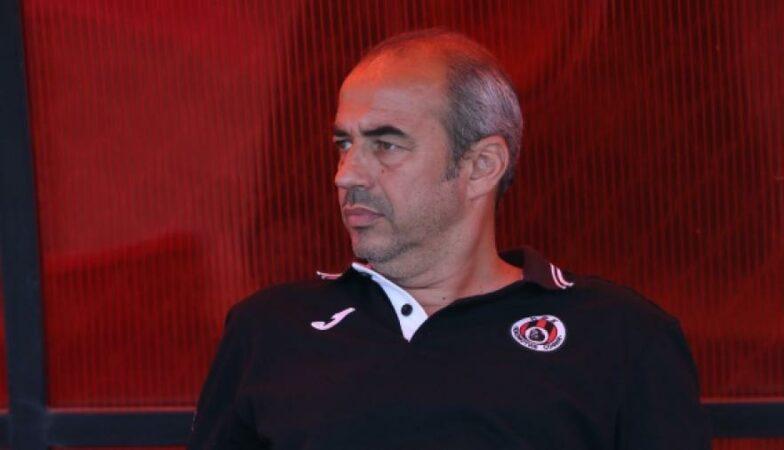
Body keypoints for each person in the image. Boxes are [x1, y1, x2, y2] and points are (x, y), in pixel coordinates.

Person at [187, 29, 710, 449]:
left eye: (386, 145)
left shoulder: (620, 337)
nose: (346, 175)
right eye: (344, 144)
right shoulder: (269, 330)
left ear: (481, 166)